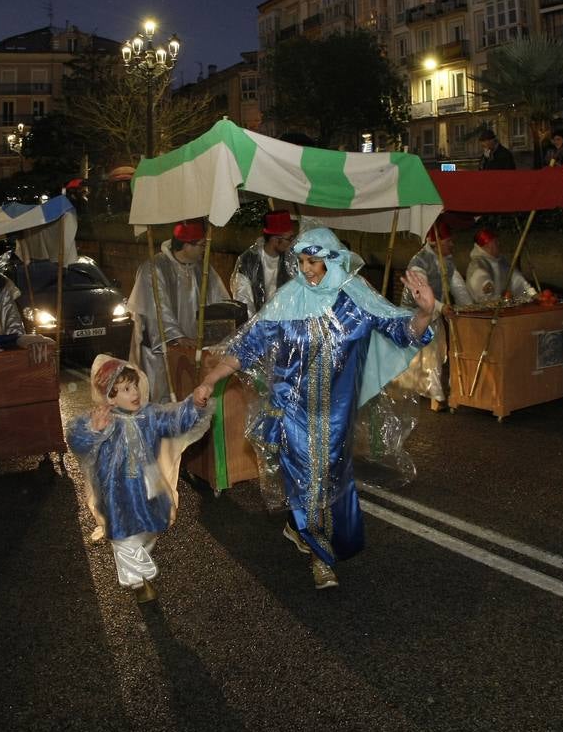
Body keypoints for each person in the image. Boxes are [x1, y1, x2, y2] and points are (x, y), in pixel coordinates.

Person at [192, 228, 437, 589]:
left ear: (333, 258)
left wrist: (425, 312)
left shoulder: (356, 298)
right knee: (311, 481)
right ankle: (321, 560)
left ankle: (300, 526)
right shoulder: (288, 300)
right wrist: (209, 380)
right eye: (301, 261)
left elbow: (401, 330)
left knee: (330, 480)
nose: (305, 269)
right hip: (291, 410)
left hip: (337, 415)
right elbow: (246, 346)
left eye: (313, 261)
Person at [67, 356, 212, 603]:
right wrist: (94, 430)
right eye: (125, 389)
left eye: (134, 386)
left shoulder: (149, 415)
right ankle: (138, 583)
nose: (134, 393)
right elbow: (77, 439)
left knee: (150, 531)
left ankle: (139, 565)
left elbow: (174, 420)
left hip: (149, 486)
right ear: (110, 397)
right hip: (117, 491)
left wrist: (195, 406)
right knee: (125, 537)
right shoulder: (101, 419)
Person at [127, 220, 229, 403]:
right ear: (186, 245)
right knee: (162, 402)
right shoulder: (154, 269)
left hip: (193, 350)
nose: (204, 250)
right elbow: (157, 310)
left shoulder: (203, 268)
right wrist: (178, 337)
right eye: (201, 245)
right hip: (160, 351)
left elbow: (220, 302)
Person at [393, 218, 472, 410]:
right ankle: (436, 396)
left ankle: (430, 392)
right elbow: (420, 292)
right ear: (436, 243)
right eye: (448, 242)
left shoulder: (448, 262)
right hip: (415, 315)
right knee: (429, 355)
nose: (452, 245)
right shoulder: (419, 262)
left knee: (435, 354)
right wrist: (442, 307)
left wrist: (469, 307)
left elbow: (458, 287)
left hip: (434, 314)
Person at [230, 209, 295, 318]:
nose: (292, 243)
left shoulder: (291, 260)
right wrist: (257, 327)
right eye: (289, 239)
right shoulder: (247, 261)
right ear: (275, 240)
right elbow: (243, 301)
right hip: (257, 326)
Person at [465, 227, 536, 302]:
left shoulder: (501, 262)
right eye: (495, 242)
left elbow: (516, 279)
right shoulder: (478, 262)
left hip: (503, 306)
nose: (499, 244)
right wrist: (486, 284)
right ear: (488, 246)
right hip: (484, 309)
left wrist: (532, 293)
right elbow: (479, 274)